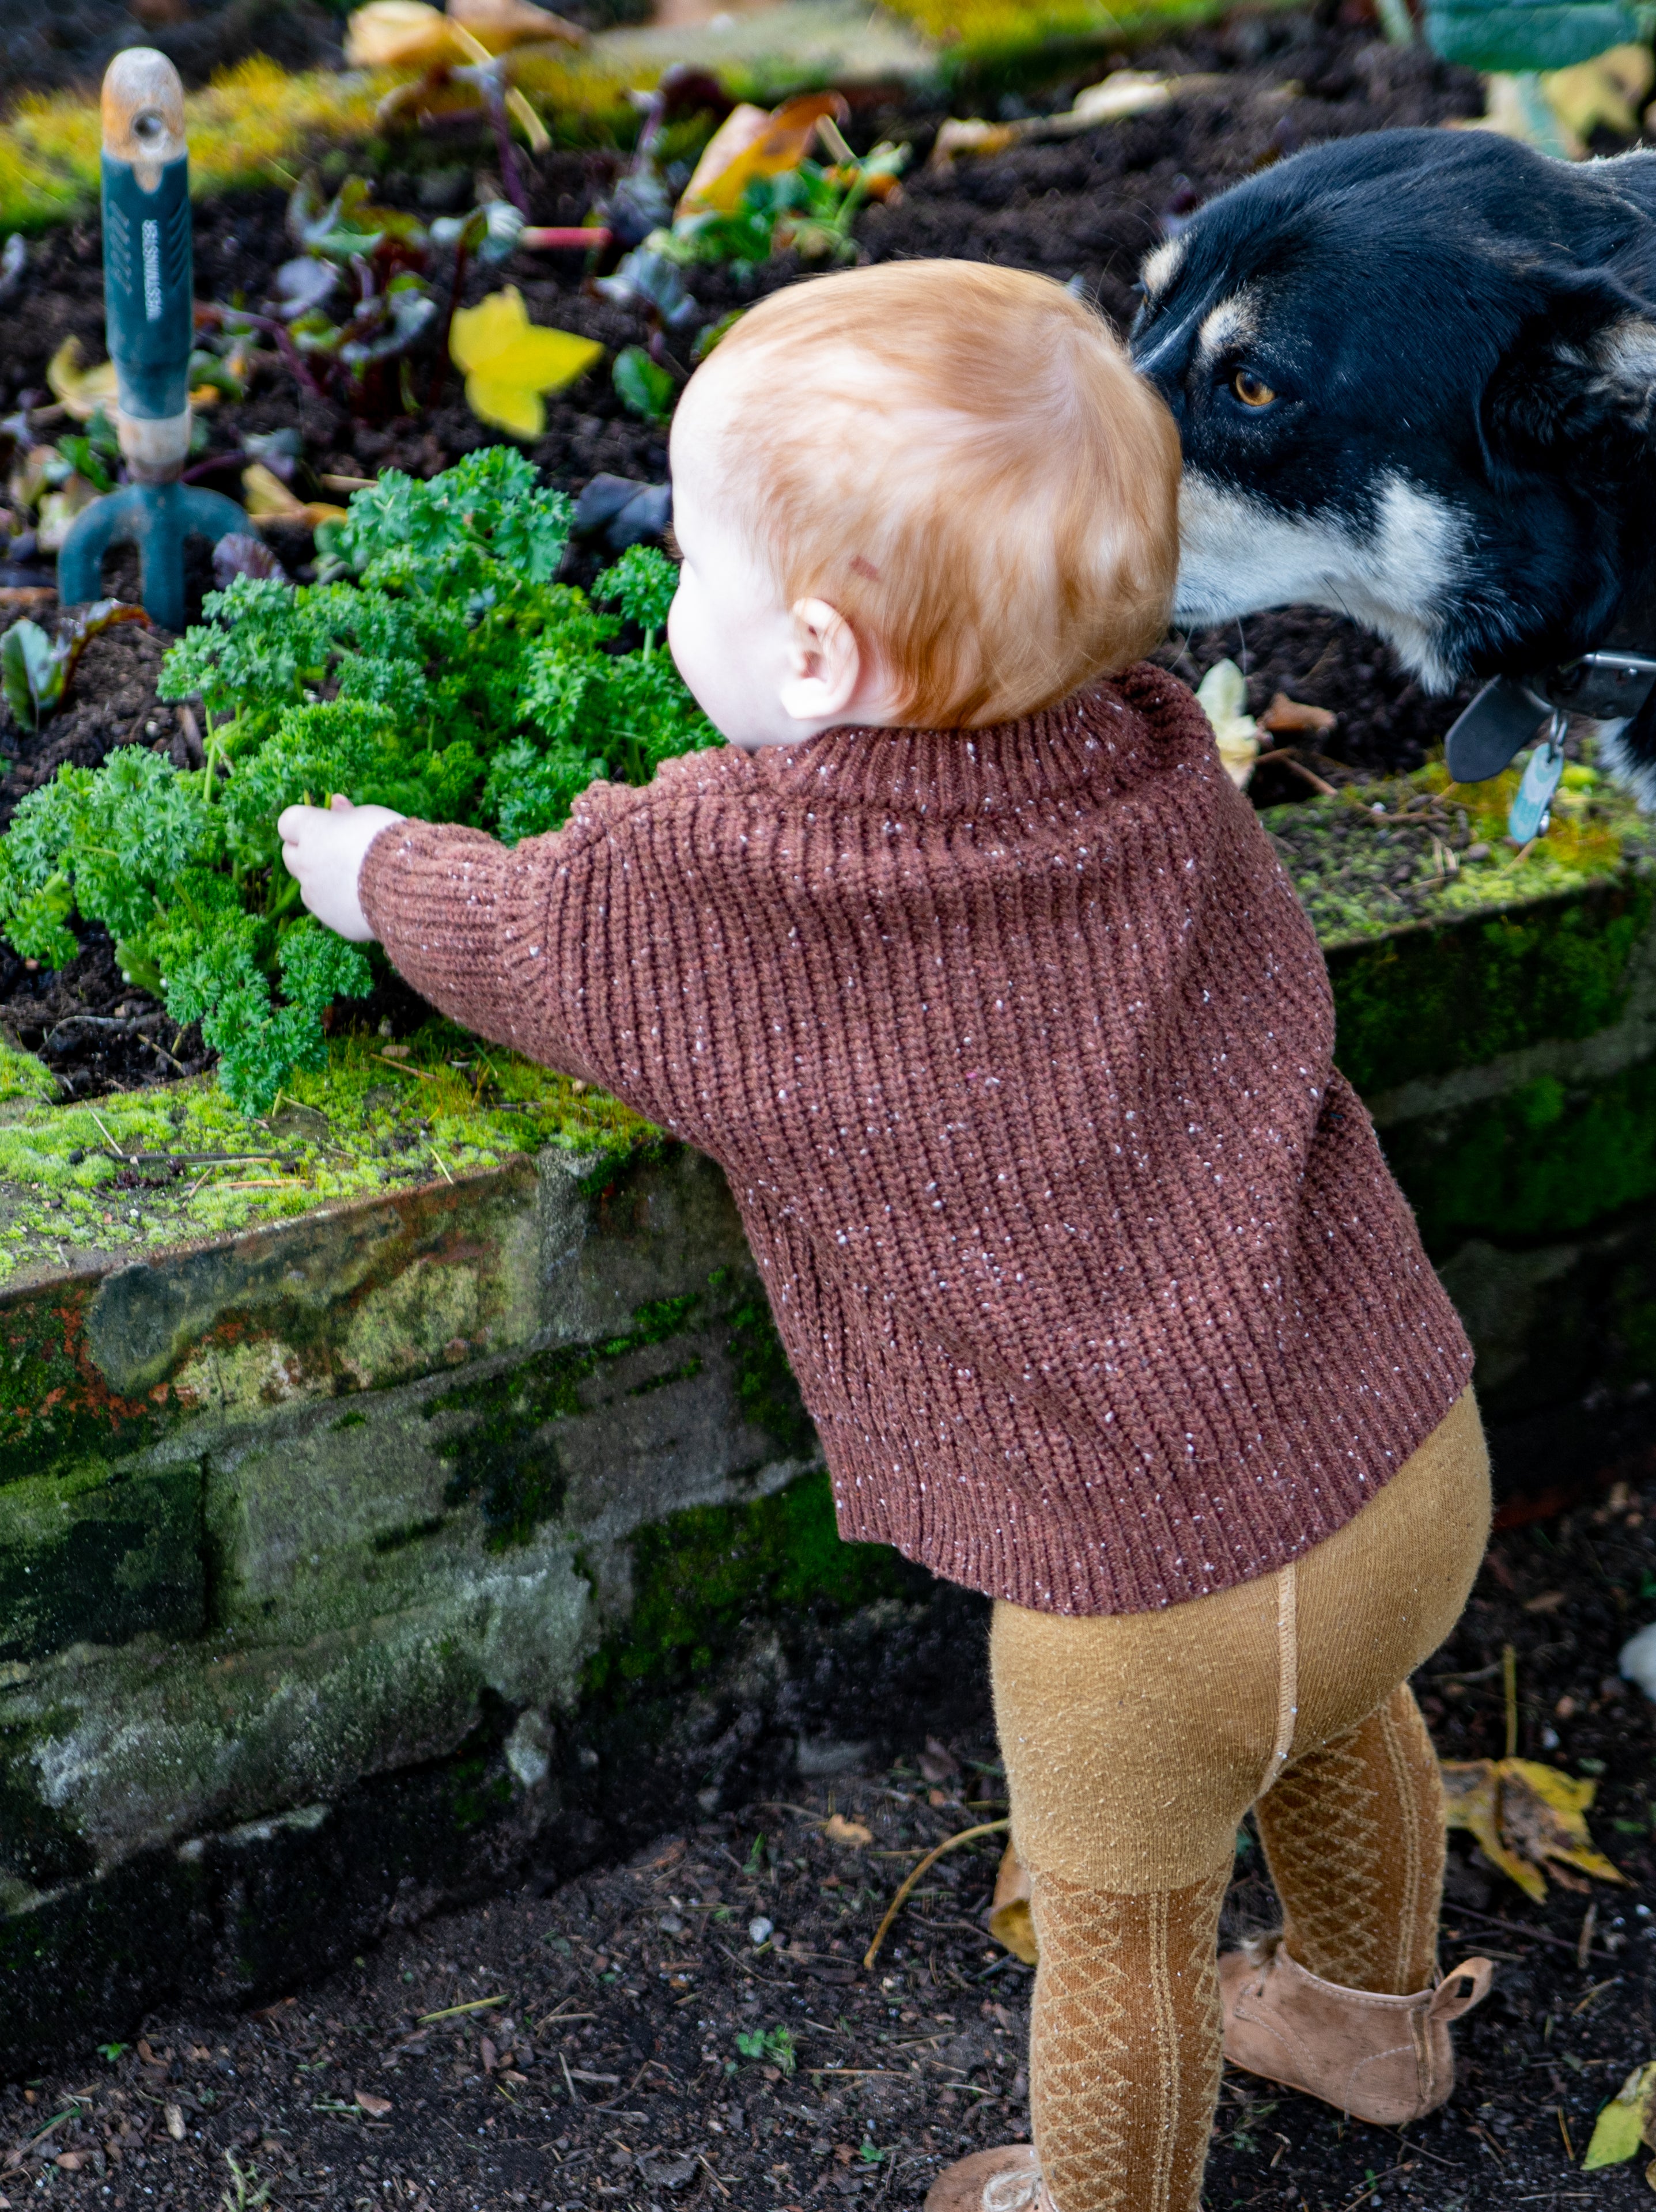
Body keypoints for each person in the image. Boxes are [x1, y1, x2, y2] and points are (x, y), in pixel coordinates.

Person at [279, 259, 1494, 2212]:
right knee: (1344, 1708)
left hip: (1138, 1612)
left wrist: (373, 873)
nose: (673, 597)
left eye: (694, 565)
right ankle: (1367, 2018)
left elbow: (536, 938)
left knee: (1121, 1939)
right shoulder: (1159, 757)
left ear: (823, 660)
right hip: (1397, 1457)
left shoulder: (734, 883)